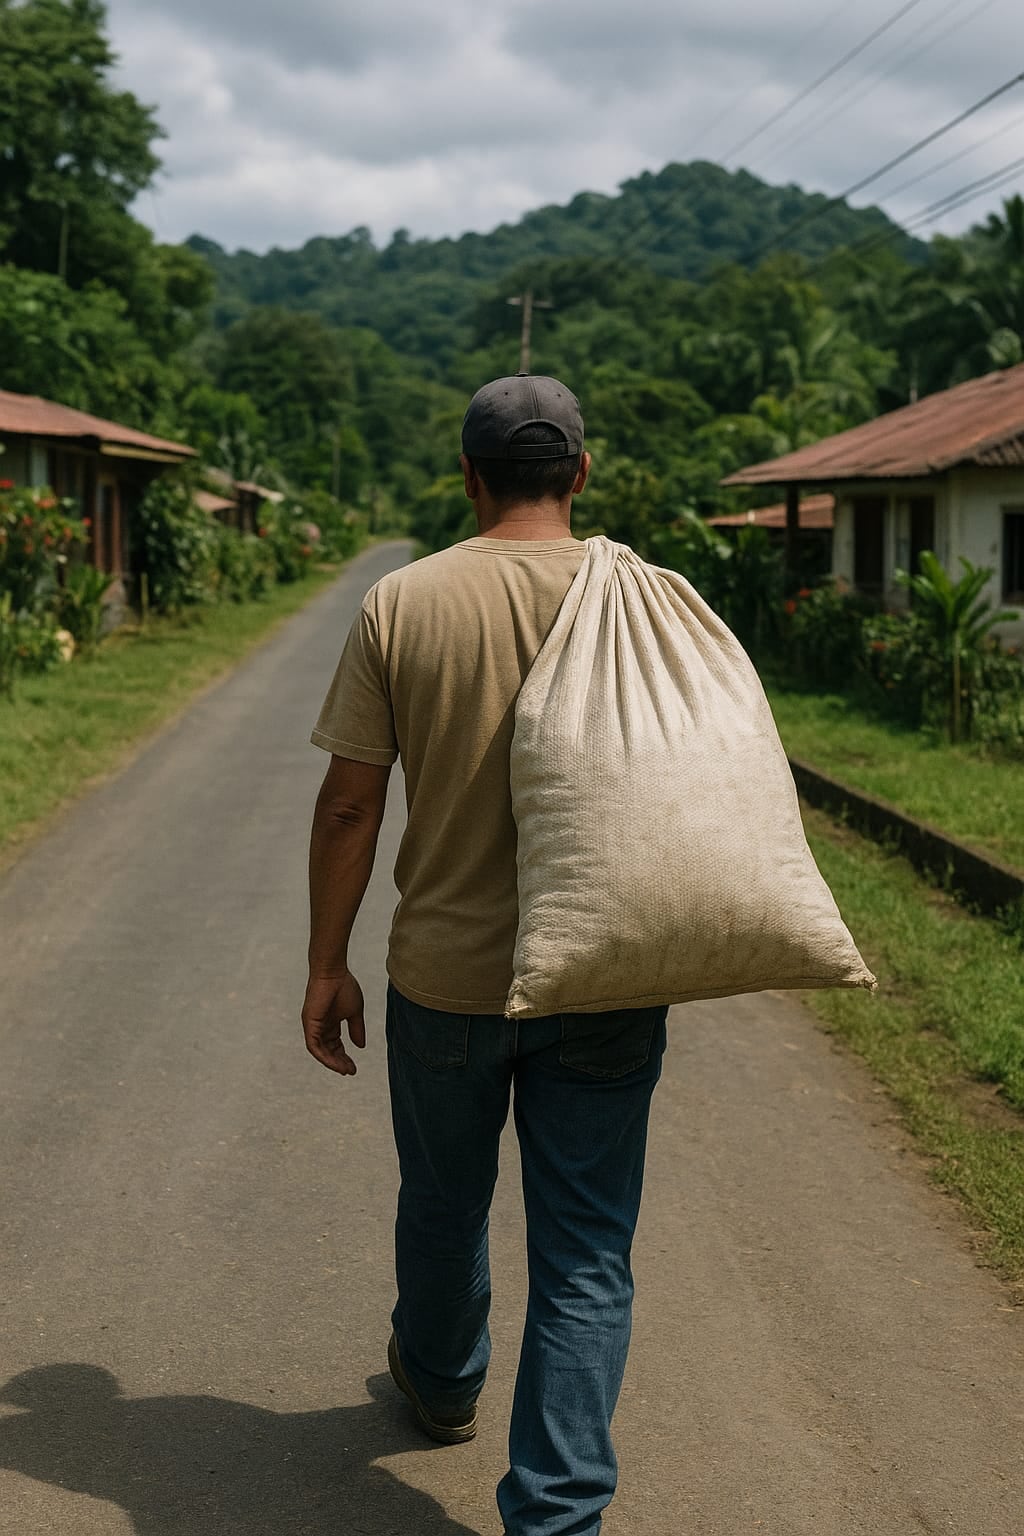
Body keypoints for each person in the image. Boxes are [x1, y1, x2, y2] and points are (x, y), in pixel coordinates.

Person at [302, 374, 668, 1536]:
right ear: (582, 474)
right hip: (606, 972)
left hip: (447, 982)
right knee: (585, 1249)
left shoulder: (401, 605)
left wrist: (326, 962)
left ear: (466, 478)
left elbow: (352, 809)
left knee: (446, 1201)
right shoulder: (646, 598)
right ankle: (557, 1516)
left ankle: (445, 1382)